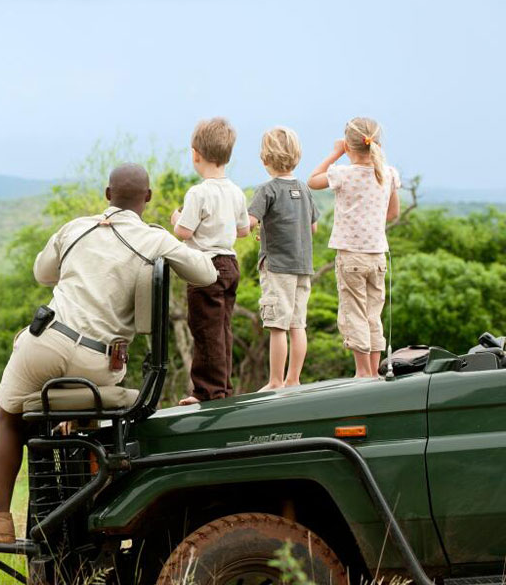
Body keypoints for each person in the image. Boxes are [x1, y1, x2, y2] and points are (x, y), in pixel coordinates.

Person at [0, 163, 217, 544]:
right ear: (146, 198)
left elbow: (42, 274)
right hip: (102, 362)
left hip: (48, 341)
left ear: (107, 194)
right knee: (43, 404)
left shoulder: (77, 228)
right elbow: (208, 274)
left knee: (9, 414)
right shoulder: (153, 238)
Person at [308, 117, 400, 378]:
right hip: (378, 255)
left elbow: (312, 181)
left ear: (349, 146)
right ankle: (373, 371)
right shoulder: (389, 174)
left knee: (354, 313)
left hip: (351, 256)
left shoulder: (343, 173)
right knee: (373, 314)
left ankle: (362, 373)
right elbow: (393, 213)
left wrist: (335, 153)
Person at [170, 117, 250, 405]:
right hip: (230, 264)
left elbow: (184, 232)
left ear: (196, 154)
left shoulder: (198, 193)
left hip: (205, 267)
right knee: (222, 328)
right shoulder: (236, 191)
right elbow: (243, 230)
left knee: (205, 330)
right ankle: (223, 388)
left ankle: (208, 392)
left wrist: (176, 218)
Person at [247, 126, 319, 390]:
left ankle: (275, 381)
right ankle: (293, 379)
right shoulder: (304, 188)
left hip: (278, 267)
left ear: (265, 159)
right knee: (297, 324)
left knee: (277, 325)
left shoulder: (266, 190)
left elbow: (249, 221)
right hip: (303, 266)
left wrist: (254, 225)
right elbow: (313, 227)